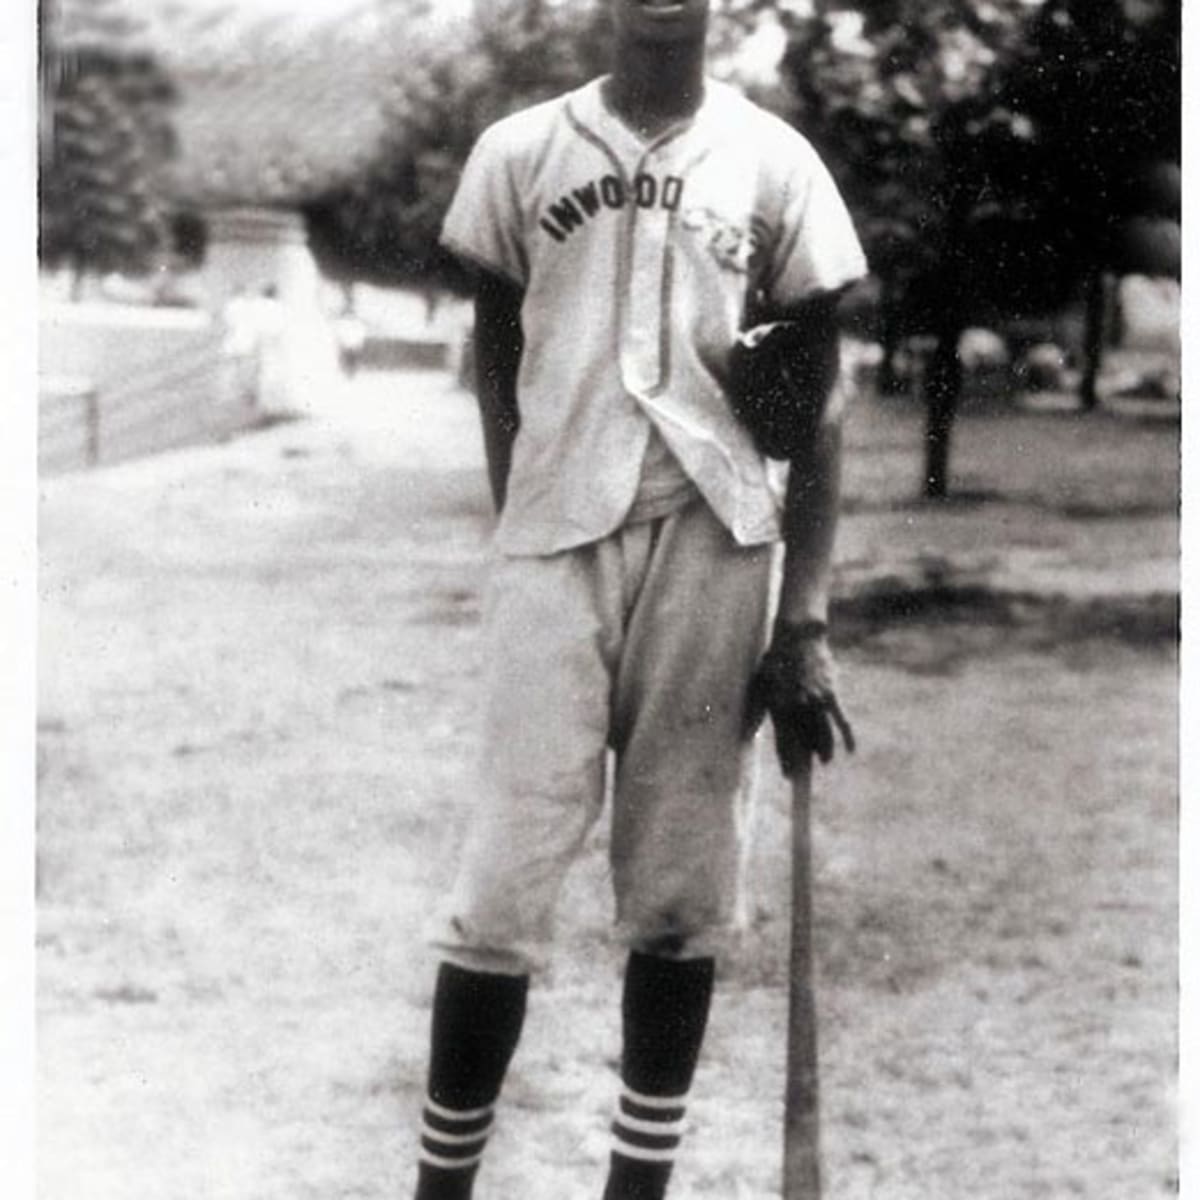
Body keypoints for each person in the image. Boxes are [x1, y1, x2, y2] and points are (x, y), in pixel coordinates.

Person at [413, 3, 867, 1197]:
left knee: (678, 896)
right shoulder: (521, 151)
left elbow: (820, 414)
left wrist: (804, 621)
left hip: (714, 545)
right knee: (500, 887)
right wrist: (527, 514)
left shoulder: (776, 162)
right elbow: (495, 357)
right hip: (556, 545)